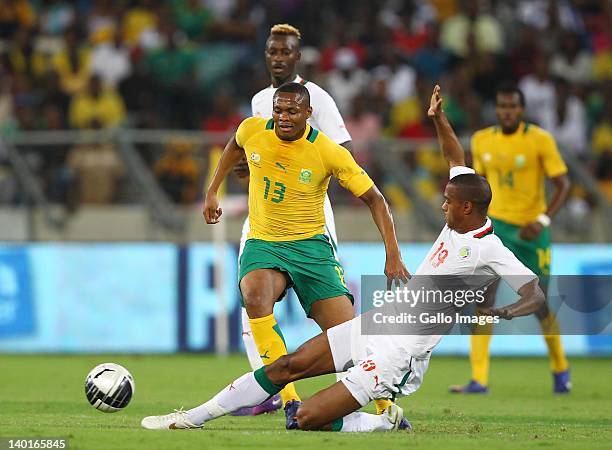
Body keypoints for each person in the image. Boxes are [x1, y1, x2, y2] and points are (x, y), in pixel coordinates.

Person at [141, 85, 545, 432]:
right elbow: (455, 157)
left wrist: (499, 314)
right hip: (381, 323)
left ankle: (382, 421)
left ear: (470, 208)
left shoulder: (489, 247)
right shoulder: (459, 213)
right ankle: (190, 417)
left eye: (449, 202)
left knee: (302, 418)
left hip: (398, 355)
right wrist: (439, 119)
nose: (442, 206)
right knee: (286, 366)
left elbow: (536, 295)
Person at [233, 23, 398, 423]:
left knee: (332, 318)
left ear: (297, 56)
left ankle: (379, 398)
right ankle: (280, 393)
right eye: (271, 51)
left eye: (285, 52)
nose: (277, 58)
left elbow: (341, 153)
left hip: (310, 217)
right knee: (252, 301)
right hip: (264, 214)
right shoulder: (259, 100)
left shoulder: (318, 98)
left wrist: (303, 181)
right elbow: (254, 146)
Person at [450, 82, 571, 394]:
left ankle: (560, 369)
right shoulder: (481, 139)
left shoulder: (540, 140)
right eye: (502, 106)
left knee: (540, 302)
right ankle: (479, 378)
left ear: (522, 109)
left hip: (532, 231)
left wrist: (542, 219)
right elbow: (474, 184)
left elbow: (563, 185)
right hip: (496, 229)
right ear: (497, 109)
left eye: (512, 107)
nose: (507, 112)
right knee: (483, 298)